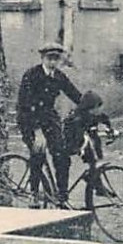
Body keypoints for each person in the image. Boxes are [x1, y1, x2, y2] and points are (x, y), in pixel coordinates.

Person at [17, 41, 82, 202]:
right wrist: (37, 131)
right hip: (29, 120)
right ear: (42, 58)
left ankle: (62, 196)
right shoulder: (31, 75)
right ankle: (33, 193)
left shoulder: (59, 76)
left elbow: (75, 94)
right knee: (38, 153)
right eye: (49, 58)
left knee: (61, 155)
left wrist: (91, 105)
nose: (53, 62)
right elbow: (25, 104)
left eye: (56, 59)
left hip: (49, 118)